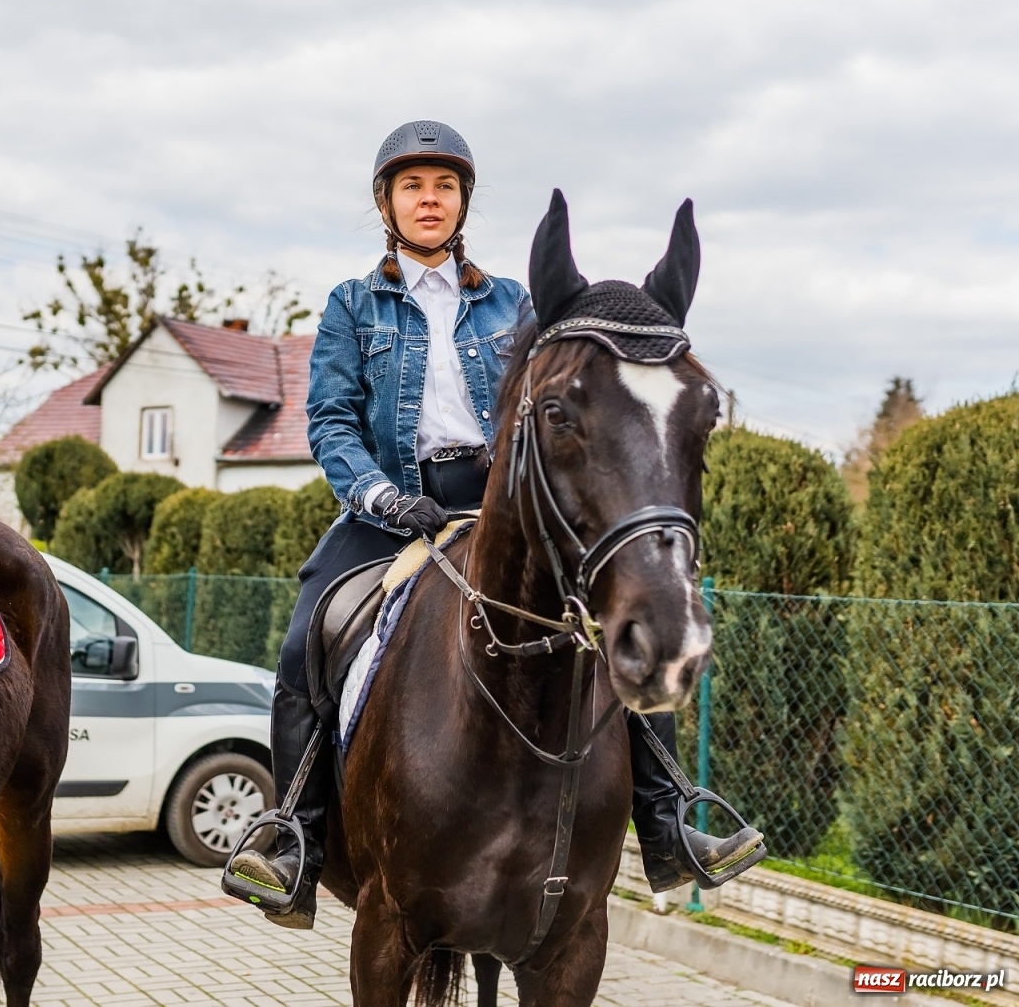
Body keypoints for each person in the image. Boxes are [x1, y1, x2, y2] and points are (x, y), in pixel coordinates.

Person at [225, 120, 763, 928]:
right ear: (388, 204)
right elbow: (332, 420)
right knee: (308, 634)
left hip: (503, 503)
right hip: (394, 509)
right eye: (413, 186)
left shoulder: (515, 302)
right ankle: (292, 835)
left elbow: (568, 396)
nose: (429, 199)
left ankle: (666, 820)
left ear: (463, 201)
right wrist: (380, 496)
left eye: (444, 186)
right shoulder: (349, 304)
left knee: (605, 624)